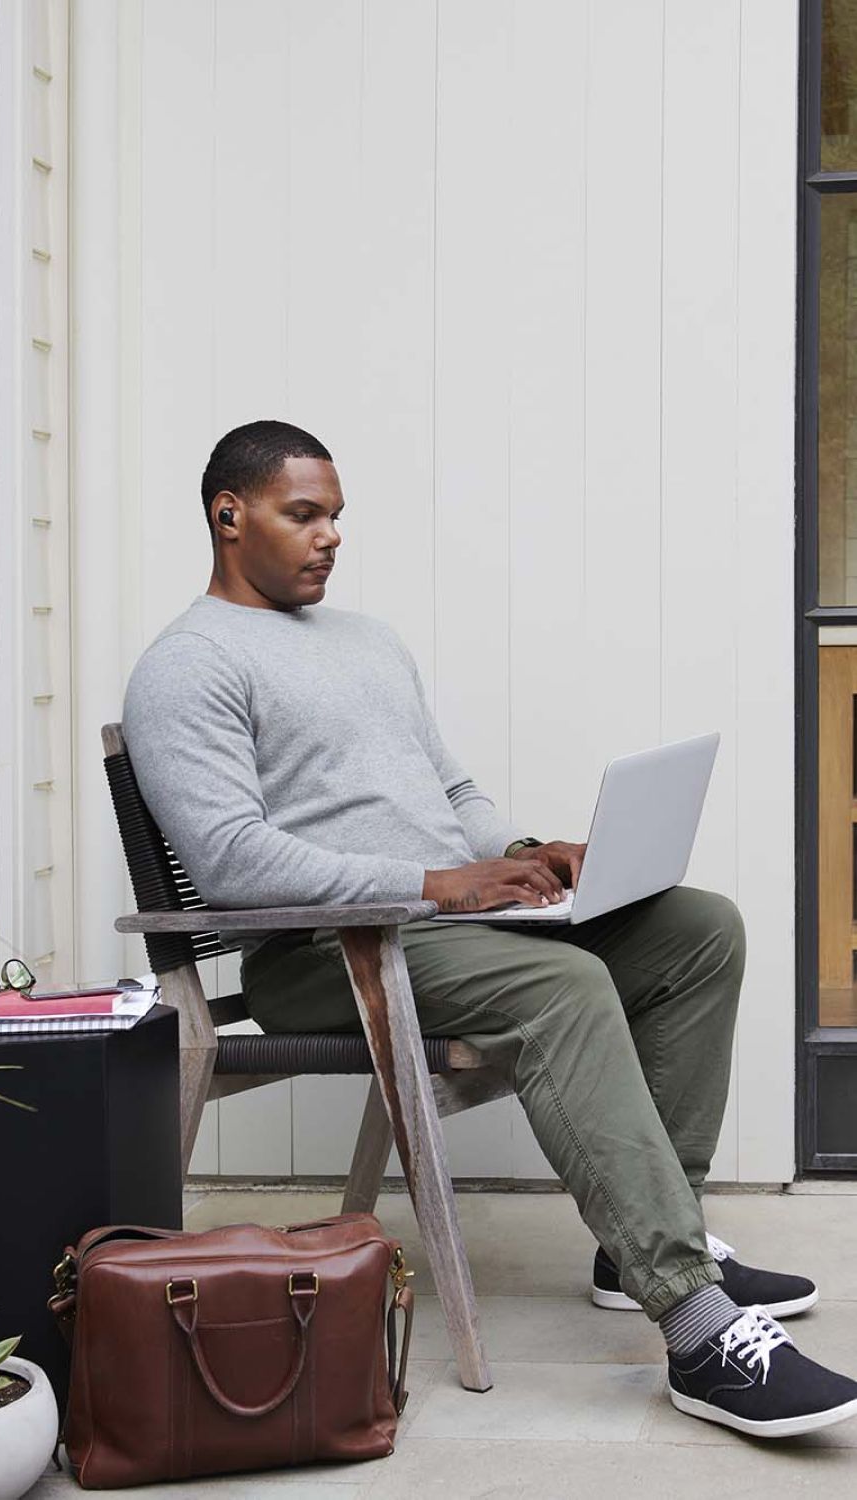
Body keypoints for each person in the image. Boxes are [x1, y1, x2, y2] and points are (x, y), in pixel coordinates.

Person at [123, 420, 857, 1440]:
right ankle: (695, 1327)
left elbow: (450, 790)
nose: (330, 535)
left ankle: (649, 1236)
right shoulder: (185, 668)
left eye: (336, 515)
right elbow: (233, 864)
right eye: (304, 514)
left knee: (698, 930)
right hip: (324, 955)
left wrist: (524, 854)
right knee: (564, 989)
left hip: (428, 933)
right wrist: (436, 884)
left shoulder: (367, 641)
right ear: (229, 514)